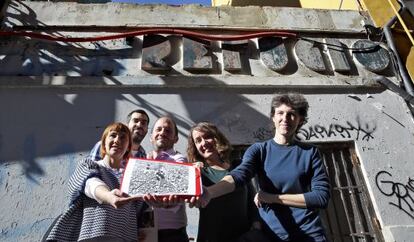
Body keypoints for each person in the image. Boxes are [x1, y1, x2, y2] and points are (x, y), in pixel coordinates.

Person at [190, 93, 330, 242]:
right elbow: (240, 175)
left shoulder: (310, 152)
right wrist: (210, 192)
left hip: (309, 233)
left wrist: (272, 198)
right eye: (280, 113)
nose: (285, 118)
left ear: (300, 119)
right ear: (273, 117)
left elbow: (320, 197)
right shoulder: (259, 150)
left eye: (291, 114)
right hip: (273, 234)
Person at [46, 123, 147, 241]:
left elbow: (140, 207)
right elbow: (90, 183)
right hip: (93, 236)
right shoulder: (89, 165)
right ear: (103, 143)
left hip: (125, 237)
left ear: (128, 146)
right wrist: (108, 196)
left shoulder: (132, 176)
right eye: (113, 135)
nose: (117, 140)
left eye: (123, 137)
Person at [187, 122, 261, 242]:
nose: (204, 143)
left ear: (217, 137)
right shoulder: (199, 173)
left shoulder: (238, 166)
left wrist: (256, 226)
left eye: (207, 136)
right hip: (212, 237)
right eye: (198, 141)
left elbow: (252, 202)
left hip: (243, 237)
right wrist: (191, 170)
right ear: (195, 148)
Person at [144, 116, 189, 242]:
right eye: (158, 129)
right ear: (151, 136)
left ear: (176, 139)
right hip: (144, 231)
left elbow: (174, 190)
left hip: (172, 234)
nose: (162, 132)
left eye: (168, 130)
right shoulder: (142, 160)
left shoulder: (179, 160)